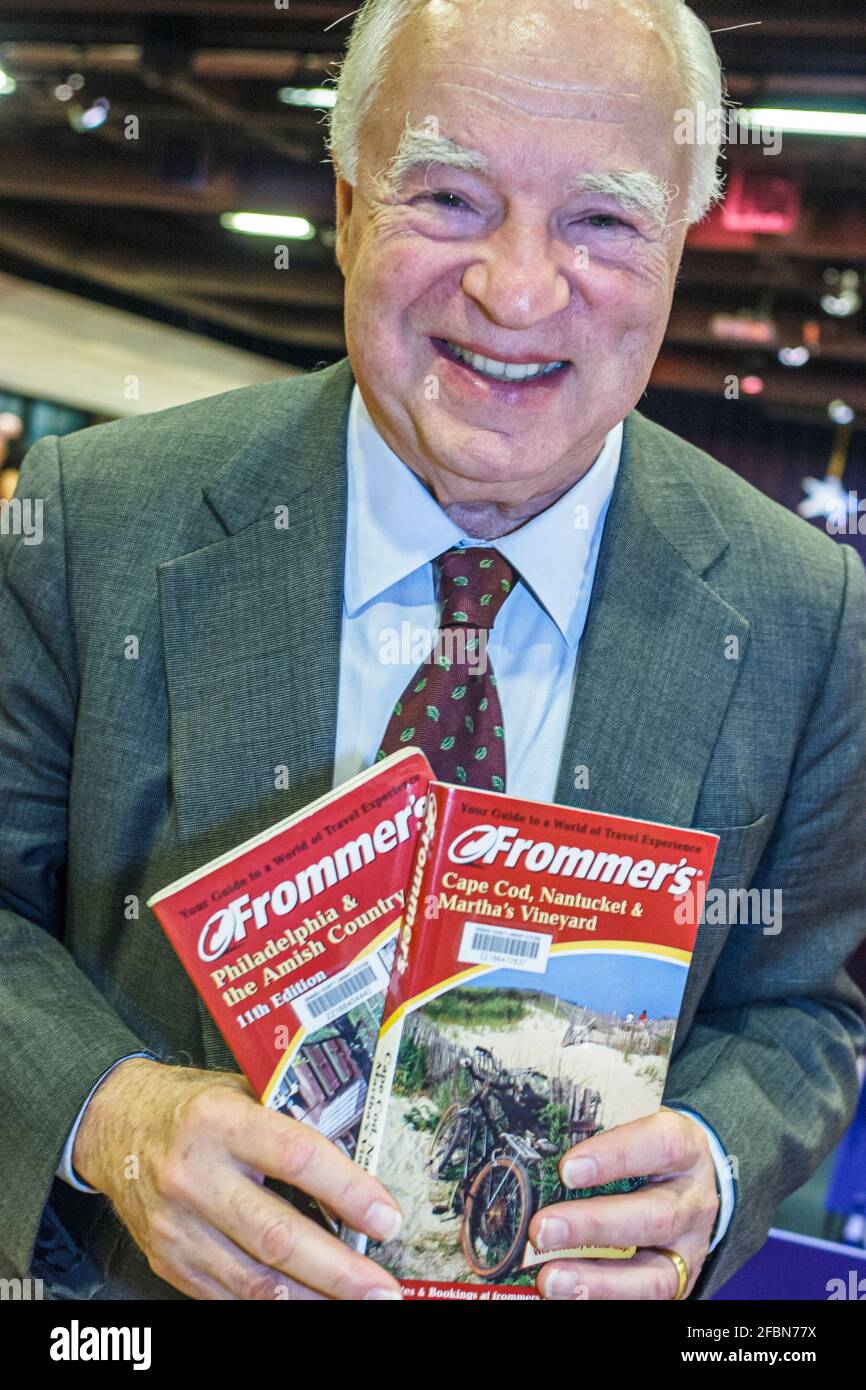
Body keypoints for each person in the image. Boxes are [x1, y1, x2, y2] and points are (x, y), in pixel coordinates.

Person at [1, 0, 864, 1303]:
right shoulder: (86, 524)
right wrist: (112, 1116)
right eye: (447, 198)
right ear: (347, 209)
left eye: (602, 220)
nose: (516, 289)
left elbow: (798, 1009)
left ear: (679, 246)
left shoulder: (809, 615)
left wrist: (715, 1155)